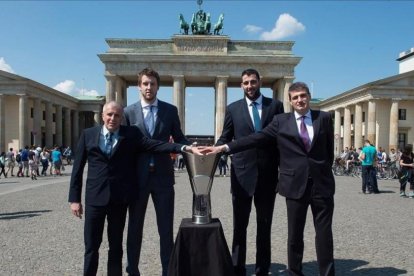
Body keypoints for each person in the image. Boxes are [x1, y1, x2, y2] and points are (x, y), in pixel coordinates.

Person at [202, 82, 335, 276]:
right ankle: (295, 273)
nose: (300, 100)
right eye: (296, 97)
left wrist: (321, 171)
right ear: (290, 101)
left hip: (321, 185)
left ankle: (327, 273)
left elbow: (329, 152)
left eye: (303, 95)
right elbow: (256, 138)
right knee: (294, 236)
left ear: (308, 96)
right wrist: (223, 148)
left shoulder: (323, 118)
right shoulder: (281, 121)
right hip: (295, 184)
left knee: (324, 234)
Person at [68, 101, 197, 276]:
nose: (113, 118)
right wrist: (74, 199)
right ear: (102, 116)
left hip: (119, 199)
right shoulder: (88, 134)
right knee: (91, 246)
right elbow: (77, 169)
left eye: (117, 115)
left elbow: (155, 145)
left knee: (116, 246)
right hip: (95, 199)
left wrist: (183, 147)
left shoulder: (130, 134)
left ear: (122, 118)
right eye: (109, 114)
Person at [214, 68, 284, 275]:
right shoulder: (233, 108)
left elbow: (281, 141)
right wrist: (208, 153)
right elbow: (225, 137)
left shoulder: (276, 106)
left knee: (264, 226)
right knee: (239, 226)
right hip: (242, 175)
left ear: (260, 82)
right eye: (245, 83)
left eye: (253, 82)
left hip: (268, 174)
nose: (249, 86)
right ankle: (238, 268)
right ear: (241, 85)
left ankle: (263, 269)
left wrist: (283, 171)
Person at [123, 68, 191, 276]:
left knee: (165, 230)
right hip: (137, 178)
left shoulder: (170, 111)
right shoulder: (127, 112)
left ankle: (167, 271)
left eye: (152, 83)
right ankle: (132, 270)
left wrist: (194, 148)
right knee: (134, 229)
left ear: (158, 86)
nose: (149, 87)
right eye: (145, 83)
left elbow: (179, 137)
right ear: (139, 86)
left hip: (163, 177)